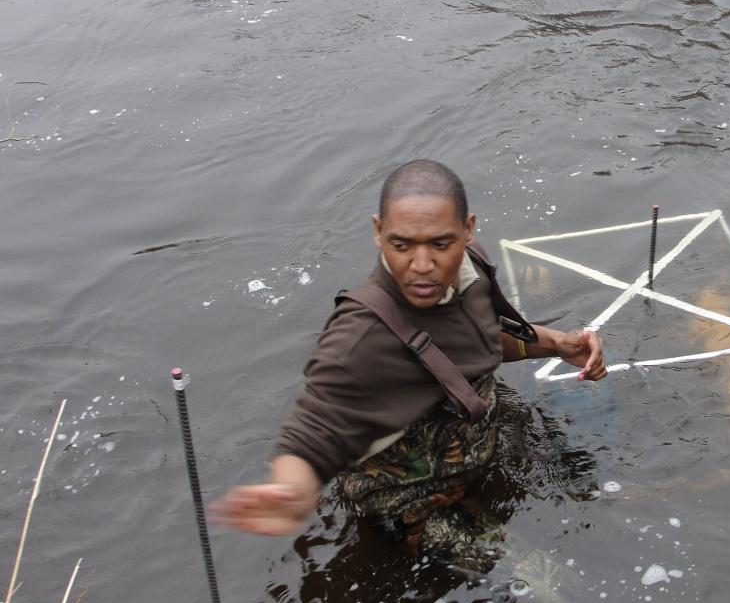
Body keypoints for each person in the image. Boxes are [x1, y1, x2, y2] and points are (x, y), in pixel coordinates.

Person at [216, 160, 607, 555]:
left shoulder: (471, 266)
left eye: (440, 244)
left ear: (467, 230)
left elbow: (480, 336)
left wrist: (556, 344)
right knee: (547, 582)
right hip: (409, 500)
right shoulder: (360, 338)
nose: (422, 267)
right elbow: (314, 431)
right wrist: (290, 492)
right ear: (378, 232)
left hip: (474, 446)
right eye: (401, 246)